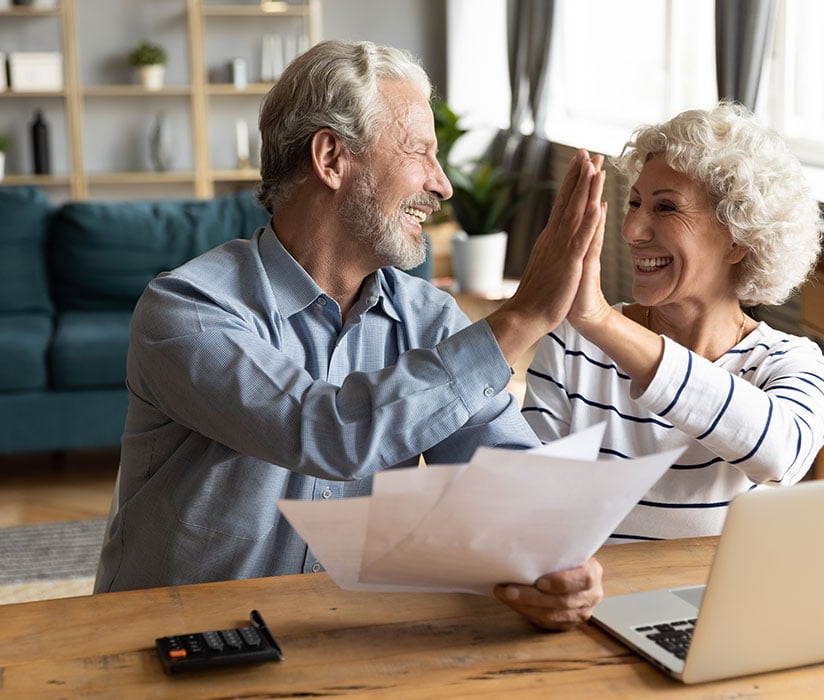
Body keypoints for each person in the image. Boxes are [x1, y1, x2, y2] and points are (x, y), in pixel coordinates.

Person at [94, 40, 608, 631]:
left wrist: (553, 556)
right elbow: (325, 432)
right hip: (171, 643)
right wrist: (520, 319)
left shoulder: (428, 318)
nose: (441, 186)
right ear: (331, 158)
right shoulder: (186, 309)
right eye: (421, 152)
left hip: (338, 638)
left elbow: (503, 473)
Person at [521, 102, 824, 542]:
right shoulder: (575, 343)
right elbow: (529, 503)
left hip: (724, 605)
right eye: (634, 203)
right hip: (594, 600)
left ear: (738, 239)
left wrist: (600, 321)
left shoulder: (791, 364)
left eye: (666, 208)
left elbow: (779, 454)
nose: (633, 229)